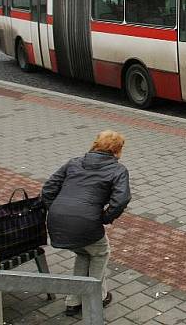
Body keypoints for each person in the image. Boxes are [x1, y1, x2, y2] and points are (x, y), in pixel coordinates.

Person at [41, 130, 131, 317]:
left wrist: (57, 210)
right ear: (117, 150)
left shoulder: (74, 162)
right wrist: (105, 218)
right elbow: (121, 200)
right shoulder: (118, 170)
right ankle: (96, 298)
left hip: (57, 221)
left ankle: (73, 301)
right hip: (86, 223)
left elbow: (48, 189)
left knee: (83, 253)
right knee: (100, 253)